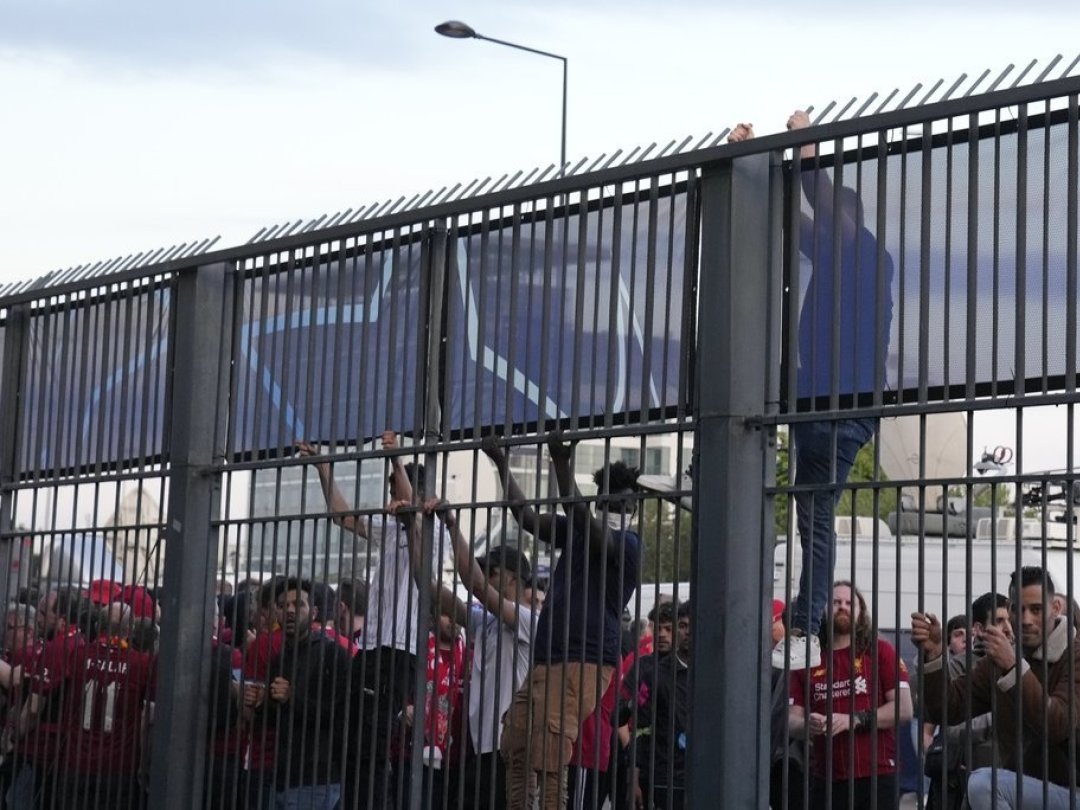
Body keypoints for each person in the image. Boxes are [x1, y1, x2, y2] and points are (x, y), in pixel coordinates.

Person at [729, 112, 896, 670]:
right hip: (816, 405)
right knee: (811, 515)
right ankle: (804, 624)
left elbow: (819, 211)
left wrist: (806, 151)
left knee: (814, 514)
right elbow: (790, 220)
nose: (820, 231)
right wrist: (755, 161)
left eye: (833, 221)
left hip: (844, 406)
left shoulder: (870, 256)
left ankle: (805, 625)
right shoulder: (829, 255)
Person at [485, 432, 642, 810]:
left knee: (551, 753)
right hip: (547, 657)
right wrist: (502, 463)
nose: (615, 507)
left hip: (583, 660)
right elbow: (525, 517)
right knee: (518, 742)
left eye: (621, 501)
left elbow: (588, 526)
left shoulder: (628, 543)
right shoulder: (576, 528)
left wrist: (561, 465)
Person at [297, 431, 447, 810]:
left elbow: (418, 543)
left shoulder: (435, 528)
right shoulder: (390, 527)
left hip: (399, 649)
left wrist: (397, 460)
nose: (390, 496)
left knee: (374, 740)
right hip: (374, 646)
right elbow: (341, 516)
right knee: (355, 737)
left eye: (395, 486)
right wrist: (324, 470)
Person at [912, 567, 1080, 809]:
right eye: (1018, 609)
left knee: (985, 784)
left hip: (1070, 791)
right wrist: (936, 653)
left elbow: (1058, 724)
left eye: (1036, 609)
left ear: (1055, 608)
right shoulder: (1000, 660)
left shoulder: (1074, 655)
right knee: (981, 787)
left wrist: (1014, 668)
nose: (1025, 620)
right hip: (1020, 789)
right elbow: (948, 710)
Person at [789, 582, 913, 810]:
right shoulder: (807, 660)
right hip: (825, 777)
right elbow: (790, 720)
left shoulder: (880, 651)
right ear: (824, 609)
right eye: (836, 602)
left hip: (877, 774)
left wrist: (852, 720)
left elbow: (904, 710)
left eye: (849, 603)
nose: (842, 607)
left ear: (860, 611)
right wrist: (808, 724)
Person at [254, 577, 351, 809]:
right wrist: (260, 702)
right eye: (282, 605)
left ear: (314, 612)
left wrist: (292, 697)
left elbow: (340, 714)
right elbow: (272, 720)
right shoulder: (280, 658)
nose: (289, 611)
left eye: (298, 605)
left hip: (318, 778)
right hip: (282, 776)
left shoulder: (332, 654)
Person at [53, 595, 156, 810]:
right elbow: (147, 715)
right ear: (129, 630)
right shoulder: (141, 664)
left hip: (75, 763)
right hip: (118, 767)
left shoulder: (79, 655)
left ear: (99, 625)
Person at [921, 594, 1008, 810]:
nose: (1007, 628)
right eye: (998, 621)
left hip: (1008, 776)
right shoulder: (958, 667)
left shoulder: (1022, 661)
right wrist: (1002, 716)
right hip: (963, 776)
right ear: (978, 629)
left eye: (1009, 620)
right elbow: (949, 722)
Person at [631, 601, 691, 810]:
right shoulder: (654, 675)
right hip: (667, 777)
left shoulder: (712, 672)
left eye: (693, 626)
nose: (688, 632)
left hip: (704, 775)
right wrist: (635, 778)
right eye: (683, 626)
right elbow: (640, 727)